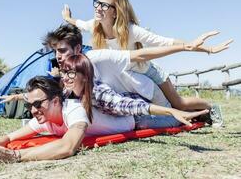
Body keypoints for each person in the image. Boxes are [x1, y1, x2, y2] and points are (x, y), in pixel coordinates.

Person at [0, 56, 207, 164]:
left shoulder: (73, 110)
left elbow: (68, 146)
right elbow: (11, 136)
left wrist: (16, 156)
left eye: (37, 104)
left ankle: (205, 110)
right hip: (132, 106)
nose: (33, 110)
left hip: (139, 117)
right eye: (30, 105)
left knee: (178, 119)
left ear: (55, 100)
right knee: (176, 111)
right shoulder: (43, 114)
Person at [61, 0, 233, 120]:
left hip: (147, 71)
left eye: (104, 5)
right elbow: (78, 23)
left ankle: (211, 107)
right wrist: (68, 18)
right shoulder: (94, 26)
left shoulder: (129, 30)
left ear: (115, 11)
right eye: (97, 3)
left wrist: (207, 50)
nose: (98, 8)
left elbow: (164, 42)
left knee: (179, 103)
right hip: (127, 76)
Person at [44, 24, 230, 126]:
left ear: (77, 48)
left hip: (144, 88)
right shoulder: (70, 70)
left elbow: (140, 55)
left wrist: (184, 47)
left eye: (62, 51)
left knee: (176, 109)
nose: (58, 57)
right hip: (128, 96)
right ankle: (195, 115)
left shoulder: (96, 57)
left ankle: (208, 107)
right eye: (55, 52)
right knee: (161, 113)